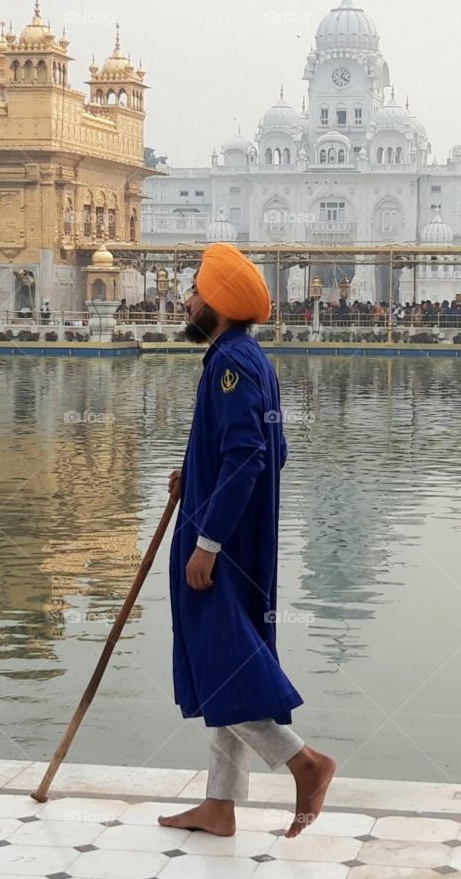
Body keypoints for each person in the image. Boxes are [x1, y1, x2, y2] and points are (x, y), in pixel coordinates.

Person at [158, 242, 336, 839]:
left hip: (224, 543)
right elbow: (263, 451)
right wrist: (195, 468)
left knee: (226, 664)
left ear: (220, 304)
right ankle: (220, 803)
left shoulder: (231, 365)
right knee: (225, 660)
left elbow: (249, 457)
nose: (186, 300)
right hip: (240, 533)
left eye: (195, 293)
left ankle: (304, 763)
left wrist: (208, 543)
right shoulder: (244, 357)